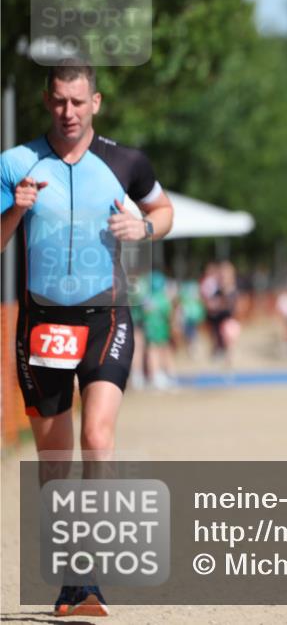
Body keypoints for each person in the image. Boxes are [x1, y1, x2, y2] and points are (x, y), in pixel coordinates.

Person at [0, 60, 174, 616]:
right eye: (58, 102)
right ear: (46, 102)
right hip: (41, 324)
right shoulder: (15, 164)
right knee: (55, 459)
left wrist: (143, 228)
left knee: (98, 439)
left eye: (78, 102)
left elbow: (163, 209)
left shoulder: (126, 162)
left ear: (95, 102)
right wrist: (14, 211)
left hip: (107, 317)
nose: (67, 112)